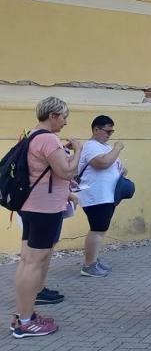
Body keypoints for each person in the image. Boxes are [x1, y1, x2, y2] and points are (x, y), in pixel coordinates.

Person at [12, 97, 80, 338]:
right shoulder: (48, 138)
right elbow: (66, 171)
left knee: (27, 261)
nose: (65, 121)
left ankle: (22, 316)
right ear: (52, 116)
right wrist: (78, 150)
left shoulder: (30, 134)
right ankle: (26, 322)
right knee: (33, 263)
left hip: (30, 206)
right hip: (45, 209)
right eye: (63, 117)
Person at [77, 115, 124, 277]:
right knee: (97, 229)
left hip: (107, 196)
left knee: (100, 229)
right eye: (108, 131)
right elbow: (101, 163)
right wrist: (117, 148)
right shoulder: (91, 146)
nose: (110, 134)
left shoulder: (103, 147)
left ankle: (93, 261)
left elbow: (115, 165)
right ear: (96, 130)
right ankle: (88, 265)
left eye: (112, 131)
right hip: (96, 195)